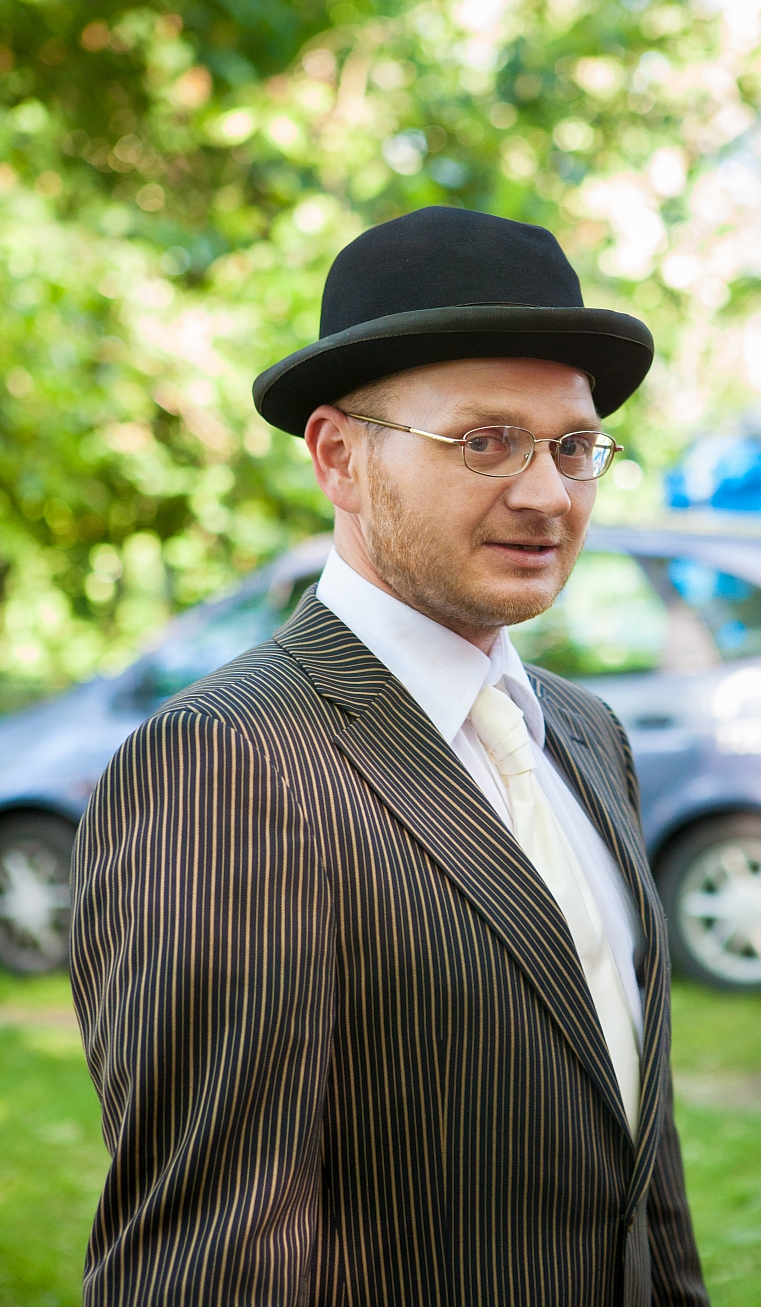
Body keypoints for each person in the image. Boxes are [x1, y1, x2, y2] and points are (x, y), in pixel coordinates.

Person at [70, 206, 709, 1307]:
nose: (547, 495)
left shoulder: (585, 733)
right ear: (339, 457)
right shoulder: (231, 762)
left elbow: (636, 1158)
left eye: (572, 446)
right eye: (484, 441)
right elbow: (207, 1261)